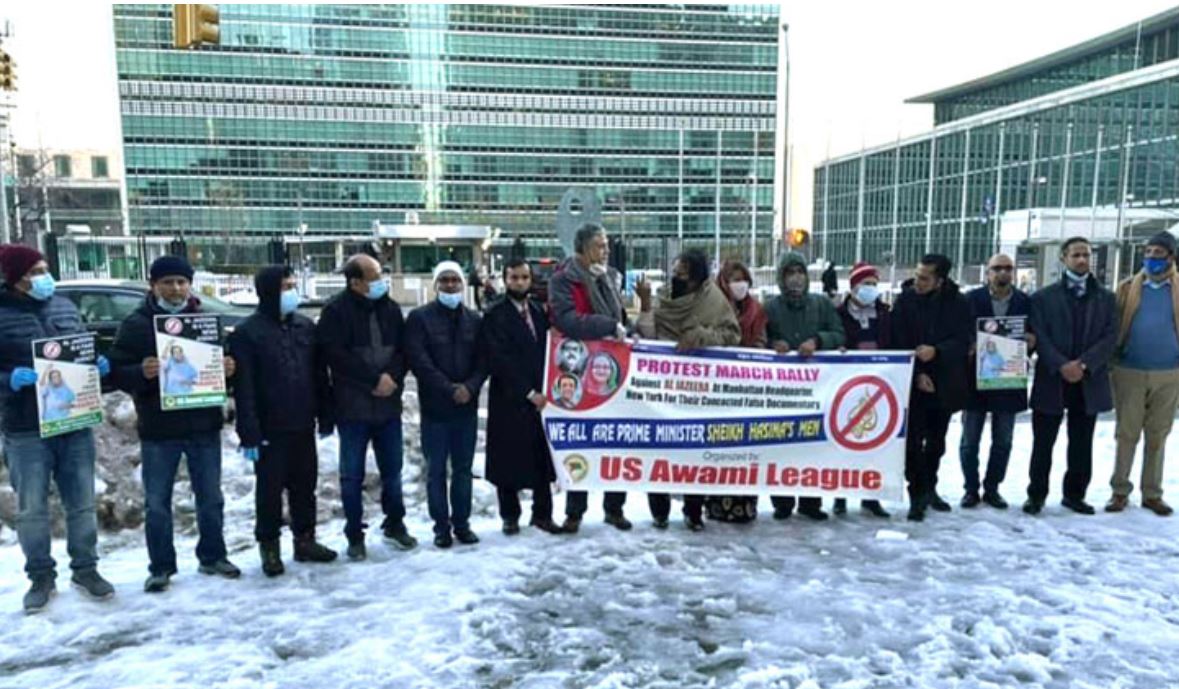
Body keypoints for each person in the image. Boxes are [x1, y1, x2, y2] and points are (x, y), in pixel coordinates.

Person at [108, 255, 240, 593]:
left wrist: (227, 370)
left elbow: (219, 371)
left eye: (182, 282)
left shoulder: (205, 322)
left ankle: (213, 555)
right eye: (168, 282)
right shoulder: (137, 324)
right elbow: (116, 369)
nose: (176, 288)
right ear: (154, 285)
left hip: (203, 425)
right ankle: (161, 566)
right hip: (159, 429)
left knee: (210, 497)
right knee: (157, 502)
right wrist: (140, 372)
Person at [0, 245, 114, 613]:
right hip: (26, 428)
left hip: (73, 420)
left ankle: (86, 568)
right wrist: (8, 380)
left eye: (45, 269)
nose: (44, 277)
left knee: (81, 502)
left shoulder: (63, 306)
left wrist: (93, 363)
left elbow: (78, 345)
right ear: (15, 279)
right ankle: (40, 576)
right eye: (36, 271)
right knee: (32, 507)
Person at [229, 266, 337, 577]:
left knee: (305, 488)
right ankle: (269, 547)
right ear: (267, 292)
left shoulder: (304, 327)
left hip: (303, 423)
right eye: (285, 286)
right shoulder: (248, 334)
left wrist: (326, 414)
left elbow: (319, 376)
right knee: (270, 492)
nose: (292, 292)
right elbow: (244, 387)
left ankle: (305, 541)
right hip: (269, 429)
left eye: (293, 285)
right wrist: (248, 432)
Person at [316, 254, 417, 560]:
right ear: (355, 282)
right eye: (374, 276)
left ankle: (395, 523)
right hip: (353, 408)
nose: (381, 280)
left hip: (388, 407)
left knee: (393, 472)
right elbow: (336, 357)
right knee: (351, 476)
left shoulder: (390, 308)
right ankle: (354, 534)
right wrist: (373, 380)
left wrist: (392, 378)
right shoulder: (335, 311)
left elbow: (403, 350)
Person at [635, 248, 740, 530]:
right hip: (662, 388)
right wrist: (645, 305)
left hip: (699, 390)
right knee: (659, 448)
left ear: (697, 279)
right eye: (676, 272)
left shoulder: (713, 300)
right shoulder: (665, 297)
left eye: (684, 274)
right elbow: (649, 335)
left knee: (695, 451)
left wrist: (701, 336)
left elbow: (732, 335)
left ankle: (693, 510)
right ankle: (659, 511)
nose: (677, 278)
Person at [548, 223, 633, 533]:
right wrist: (607, 326)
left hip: (612, 369)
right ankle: (575, 511)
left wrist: (624, 328)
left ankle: (614, 507)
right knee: (582, 440)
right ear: (582, 249)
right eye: (599, 245)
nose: (605, 250)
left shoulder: (608, 278)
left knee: (616, 440)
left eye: (607, 244)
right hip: (578, 371)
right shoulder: (564, 279)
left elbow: (620, 318)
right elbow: (568, 320)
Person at [1024, 237, 1116, 516]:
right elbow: (1039, 335)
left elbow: (1110, 337)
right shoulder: (1042, 298)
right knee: (1043, 442)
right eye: (1076, 255)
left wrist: (1084, 364)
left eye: (1086, 255)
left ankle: (1075, 494)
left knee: (1081, 441)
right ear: (1063, 258)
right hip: (1053, 378)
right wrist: (1062, 364)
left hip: (1088, 380)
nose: (1082, 260)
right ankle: (1036, 495)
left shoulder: (1106, 297)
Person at [406, 261, 487, 549]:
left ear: (463, 284)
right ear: (436, 284)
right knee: (437, 470)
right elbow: (419, 361)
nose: (450, 285)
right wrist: (448, 389)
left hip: (466, 409)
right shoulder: (419, 318)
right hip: (436, 410)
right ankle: (441, 527)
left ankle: (462, 524)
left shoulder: (475, 320)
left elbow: (483, 360)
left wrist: (470, 387)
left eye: (455, 280)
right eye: (445, 280)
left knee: (463, 470)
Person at [479, 258, 563, 536]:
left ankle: (543, 515)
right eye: (514, 277)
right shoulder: (494, 314)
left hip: (540, 399)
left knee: (540, 459)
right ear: (505, 279)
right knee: (508, 459)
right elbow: (498, 359)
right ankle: (510, 516)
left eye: (524, 277)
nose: (519, 282)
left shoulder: (538, 312)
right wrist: (527, 392)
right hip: (510, 398)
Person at [764, 251, 846, 521]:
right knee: (782, 445)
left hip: (817, 392)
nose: (796, 278)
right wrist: (773, 344)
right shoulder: (771, 307)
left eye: (800, 272)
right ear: (782, 278)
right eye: (790, 273)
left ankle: (811, 502)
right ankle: (783, 502)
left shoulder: (821, 305)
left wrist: (818, 341)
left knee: (813, 445)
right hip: (782, 393)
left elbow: (839, 334)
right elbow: (760, 338)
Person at [890, 254, 972, 522]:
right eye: (917, 275)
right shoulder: (905, 301)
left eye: (925, 278)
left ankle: (929, 487)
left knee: (936, 443)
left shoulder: (958, 304)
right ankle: (917, 494)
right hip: (912, 380)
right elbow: (897, 338)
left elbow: (963, 340)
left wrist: (937, 351)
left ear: (940, 280)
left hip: (945, 382)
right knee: (912, 443)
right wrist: (917, 373)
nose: (918, 281)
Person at [1107, 232, 1179, 516]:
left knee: (1157, 435)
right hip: (1130, 371)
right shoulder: (1127, 288)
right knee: (1126, 434)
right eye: (1147, 252)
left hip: (1169, 373)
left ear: (1171, 257)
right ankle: (1119, 491)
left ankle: (1152, 493)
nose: (1151, 258)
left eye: (1158, 253)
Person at [960, 254, 1033, 510]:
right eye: (997, 269)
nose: (1002, 273)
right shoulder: (971, 300)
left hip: (1008, 379)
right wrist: (967, 347)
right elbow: (960, 332)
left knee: (1003, 440)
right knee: (970, 439)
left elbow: (1033, 334)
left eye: (1007, 269)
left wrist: (1030, 344)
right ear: (987, 272)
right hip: (975, 379)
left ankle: (992, 488)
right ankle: (970, 489)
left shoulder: (1025, 301)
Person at [706, 260, 768, 523]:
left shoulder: (757, 310)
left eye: (743, 278)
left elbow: (762, 340)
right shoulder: (711, 308)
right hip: (717, 391)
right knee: (719, 448)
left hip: (748, 391)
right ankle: (717, 507)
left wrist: (756, 354)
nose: (739, 284)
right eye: (733, 278)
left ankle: (745, 506)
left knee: (745, 448)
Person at [833, 261, 891, 518]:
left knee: (875, 442)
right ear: (854, 287)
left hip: (879, 386)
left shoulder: (885, 314)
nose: (871, 289)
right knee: (843, 439)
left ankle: (871, 496)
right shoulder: (839, 314)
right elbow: (835, 337)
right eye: (866, 284)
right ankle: (840, 494)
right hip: (846, 387)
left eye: (874, 285)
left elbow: (894, 341)